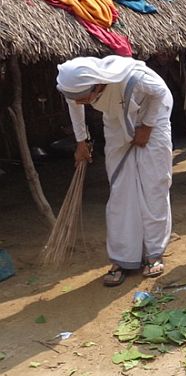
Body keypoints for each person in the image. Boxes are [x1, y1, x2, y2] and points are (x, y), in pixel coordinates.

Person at [57, 56, 174, 286]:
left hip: (153, 117)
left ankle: (154, 252)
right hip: (115, 123)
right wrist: (81, 142)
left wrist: (147, 127)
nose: (79, 103)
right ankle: (124, 257)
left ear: (97, 85)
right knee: (121, 190)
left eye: (83, 99)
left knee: (154, 185)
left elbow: (161, 93)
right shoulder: (75, 87)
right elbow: (75, 106)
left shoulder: (134, 77)